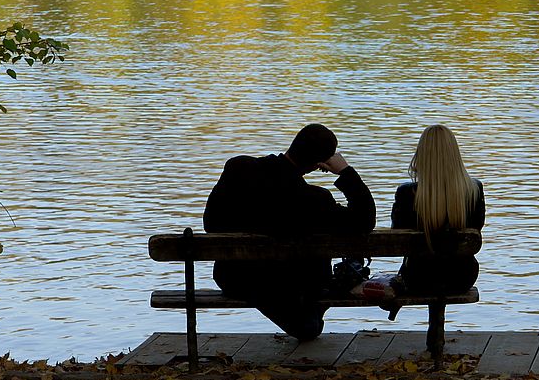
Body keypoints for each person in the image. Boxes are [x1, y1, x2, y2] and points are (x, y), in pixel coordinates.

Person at [203, 124, 376, 340]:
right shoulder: (314, 200)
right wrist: (345, 171)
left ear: (294, 144)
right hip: (288, 283)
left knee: (306, 324)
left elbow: (210, 224)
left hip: (234, 277)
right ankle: (310, 317)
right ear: (319, 164)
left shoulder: (238, 167)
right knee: (309, 329)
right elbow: (364, 220)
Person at [391, 124, 485, 294]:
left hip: (418, 278)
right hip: (462, 278)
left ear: (422, 155)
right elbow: (477, 227)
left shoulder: (407, 193)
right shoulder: (474, 190)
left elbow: (398, 237)